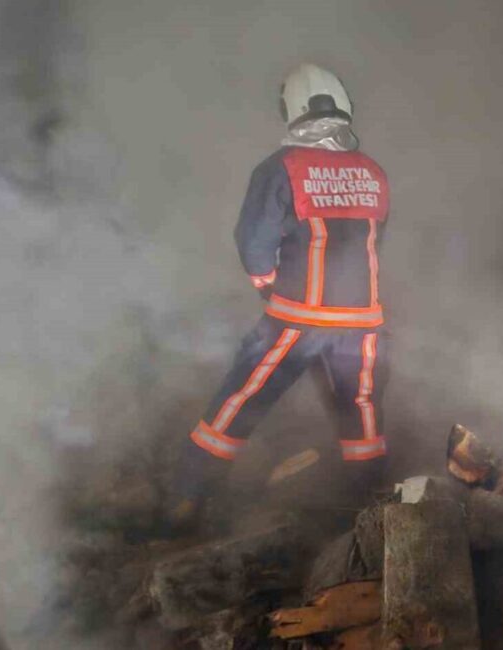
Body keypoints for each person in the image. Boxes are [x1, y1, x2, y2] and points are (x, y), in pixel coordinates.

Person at [168, 64, 391, 528]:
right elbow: (374, 239)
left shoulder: (280, 168)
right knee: (361, 412)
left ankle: (186, 502)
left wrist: (267, 284)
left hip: (297, 320)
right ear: (345, 106)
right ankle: (373, 514)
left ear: (290, 112)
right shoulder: (372, 171)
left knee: (240, 399)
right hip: (362, 324)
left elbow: (253, 243)